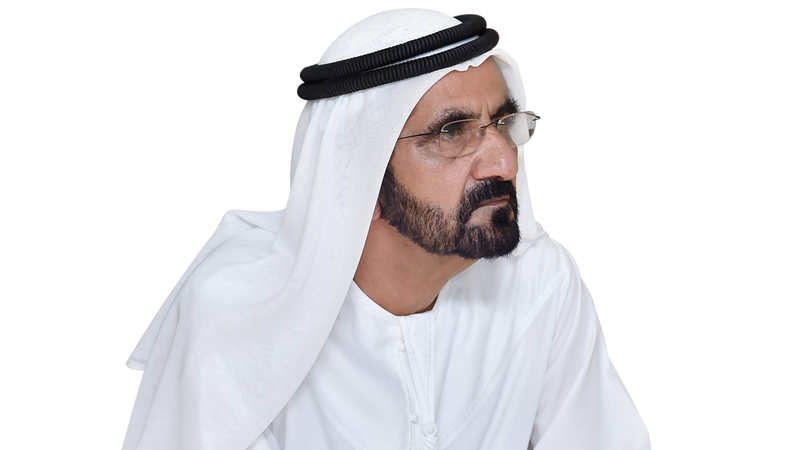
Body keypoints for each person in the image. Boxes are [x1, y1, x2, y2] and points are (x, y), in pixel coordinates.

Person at [123, 9, 650, 450]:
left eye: (503, 125)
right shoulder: (238, 319)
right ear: (360, 177)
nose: (504, 165)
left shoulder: (540, 283)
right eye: (452, 133)